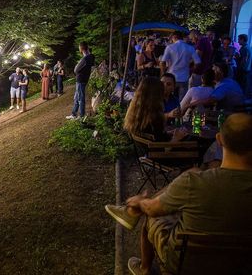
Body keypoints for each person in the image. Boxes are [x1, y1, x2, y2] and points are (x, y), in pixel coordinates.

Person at [105, 113, 252, 275]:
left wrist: (140, 202)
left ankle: (144, 268)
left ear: (219, 139)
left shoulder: (195, 181)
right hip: (241, 266)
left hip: (183, 263)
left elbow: (152, 210)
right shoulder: (195, 181)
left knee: (151, 214)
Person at [123, 77, 187, 142]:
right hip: (160, 151)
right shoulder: (154, 119)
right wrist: (177, 137)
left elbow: (155, 136)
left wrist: (168, 133)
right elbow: (163, 148)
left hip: (144, 150)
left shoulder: (136, 115)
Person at [160, 32, 201, 101]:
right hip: (184, 77)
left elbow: (162, 62)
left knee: (169, 99)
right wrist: (191, 70)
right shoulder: (190, 48)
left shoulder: (170, 47)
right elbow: (198, 62)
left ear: (174, 37)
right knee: (182, 101)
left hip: (171, 76)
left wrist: (163, 74)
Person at [66, 42, 95, 120]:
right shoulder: (91, 57)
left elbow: (76, 70)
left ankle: (81, 115)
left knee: (80, 98)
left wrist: (78, 64)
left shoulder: (85, 58)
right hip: (84, 79)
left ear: (81, 49)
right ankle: (73, 114)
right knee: (76, 97)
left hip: (80, 80)